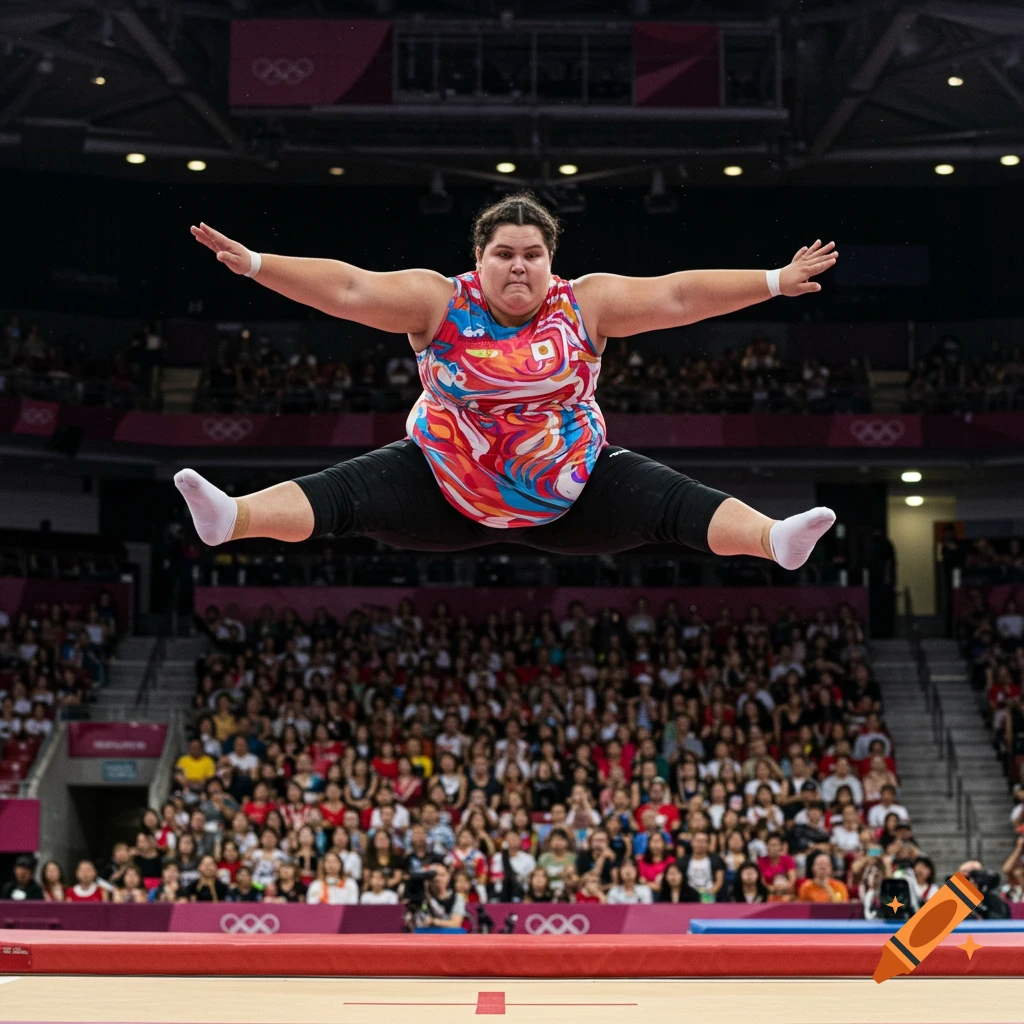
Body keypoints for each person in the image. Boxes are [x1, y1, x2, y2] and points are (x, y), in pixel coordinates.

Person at [179, 197, 837, 570]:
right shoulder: (436, 301)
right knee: (344, 495)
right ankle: (232, 519)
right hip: (441, 486)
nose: (518, 267)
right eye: (504, 254)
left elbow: (678, 296)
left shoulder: (586, 303)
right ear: (479, 260)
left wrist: (776, 280)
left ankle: (772, 539)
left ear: (552, 263)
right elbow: (351, 288)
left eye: (532, 256)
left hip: (574, 491)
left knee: (670, 502)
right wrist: (259, 264)